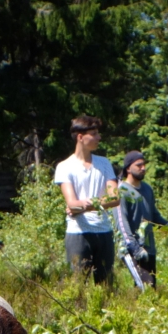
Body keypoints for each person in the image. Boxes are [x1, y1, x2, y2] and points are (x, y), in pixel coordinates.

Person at [53, 115, 119, 285]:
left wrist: (83, 206)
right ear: (81, 137)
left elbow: (115, 198)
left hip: (104, 231)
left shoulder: (104, 163)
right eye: (94, 134)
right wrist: (86, 204)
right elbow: (72, 203)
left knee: (106, 285)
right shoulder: (64, 166)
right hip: (78, 233)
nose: (99, 137)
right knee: (77, 285)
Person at [114, 151, 168, 286]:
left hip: (149, 248)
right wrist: (135, 248)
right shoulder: (121, 191)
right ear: (128, 168)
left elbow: (153, 215)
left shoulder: (147, 189)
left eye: (144, 165)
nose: (143, 168)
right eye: (139, 165)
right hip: (131, 249)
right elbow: (121, 222)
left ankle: (134, 306)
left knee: (150, 287)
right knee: (144, 287)